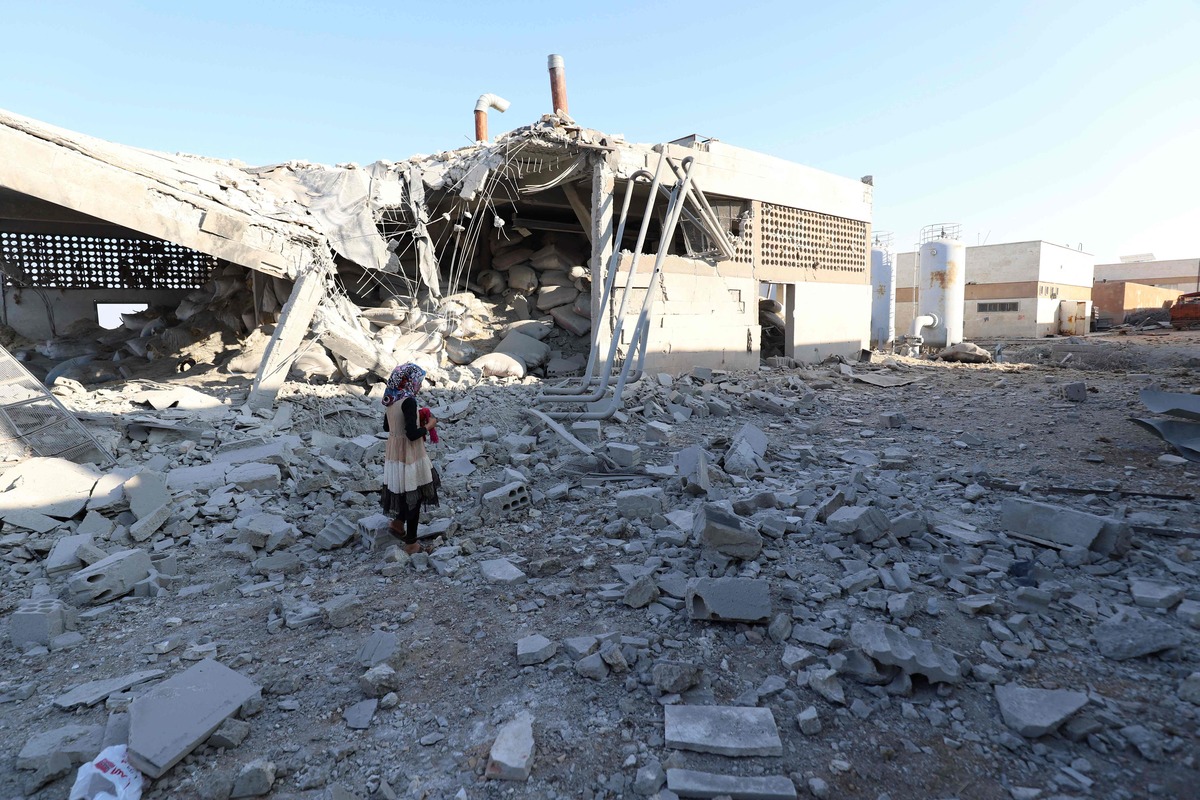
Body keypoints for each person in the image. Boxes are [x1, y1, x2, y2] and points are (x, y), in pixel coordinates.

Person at [380, 363, 440, 554]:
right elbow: (413, 434)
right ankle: (412, 544)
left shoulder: (391, 400)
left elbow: (387, 428)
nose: (420, 386)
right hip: (410, 453)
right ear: (409, 381)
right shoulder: (409, 401)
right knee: (416, 495)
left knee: (407, 493)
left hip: (394, 454)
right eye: (419, 381)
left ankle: (398, 523)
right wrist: (430, 424)